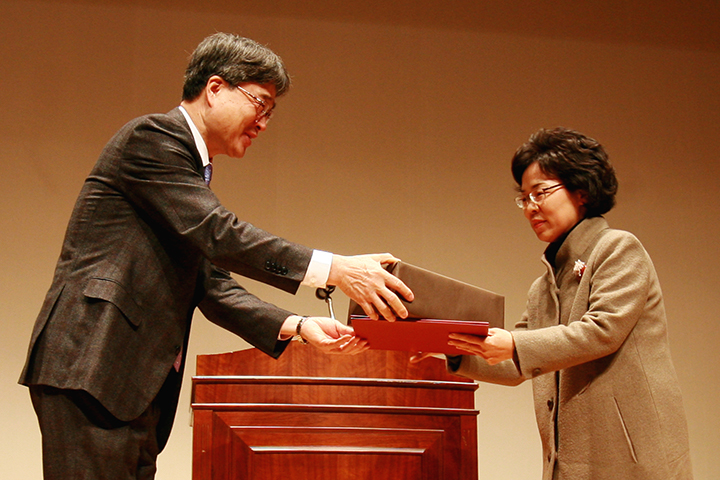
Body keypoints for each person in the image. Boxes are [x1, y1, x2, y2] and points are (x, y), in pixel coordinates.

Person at [19, 32, 414, 480]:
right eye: (260, 104)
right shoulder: (153, 138)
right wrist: (336, 269)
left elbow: (210, 283)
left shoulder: (186, 169)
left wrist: (300, 326)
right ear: (215, 88)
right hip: (93, 363)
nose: (263, 123)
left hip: (127, 382)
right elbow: (220, 234)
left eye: (271, 113)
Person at [415, 127, 693, 479]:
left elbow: (602, 331)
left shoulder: (618, 248)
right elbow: (516, 363)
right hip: (571, 460)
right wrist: (449, 347)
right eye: (524, 198)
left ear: (581, 191)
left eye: (540, 192)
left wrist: (513, 344)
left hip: (630, 458)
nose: (530, 207)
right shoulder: (544, 286)